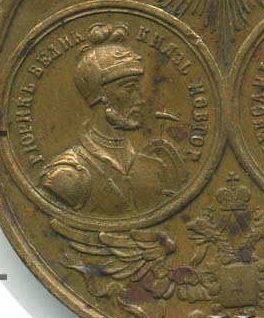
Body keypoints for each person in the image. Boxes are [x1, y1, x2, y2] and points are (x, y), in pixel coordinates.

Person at [40, 22, 180, 217]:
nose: (140, 99)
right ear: (100, 94)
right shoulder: (66, 175)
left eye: (138, 88)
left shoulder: (154, 167)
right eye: (129, 88)